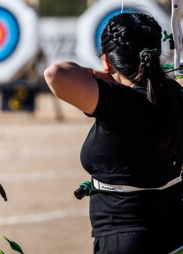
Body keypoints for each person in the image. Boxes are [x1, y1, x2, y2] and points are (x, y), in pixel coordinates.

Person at [44, 13, 183, 253]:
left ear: (107, 61)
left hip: (126, 240)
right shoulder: (174, 93)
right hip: (175, 233)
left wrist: (105, 74)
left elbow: (55, 73)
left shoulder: (120, 101)